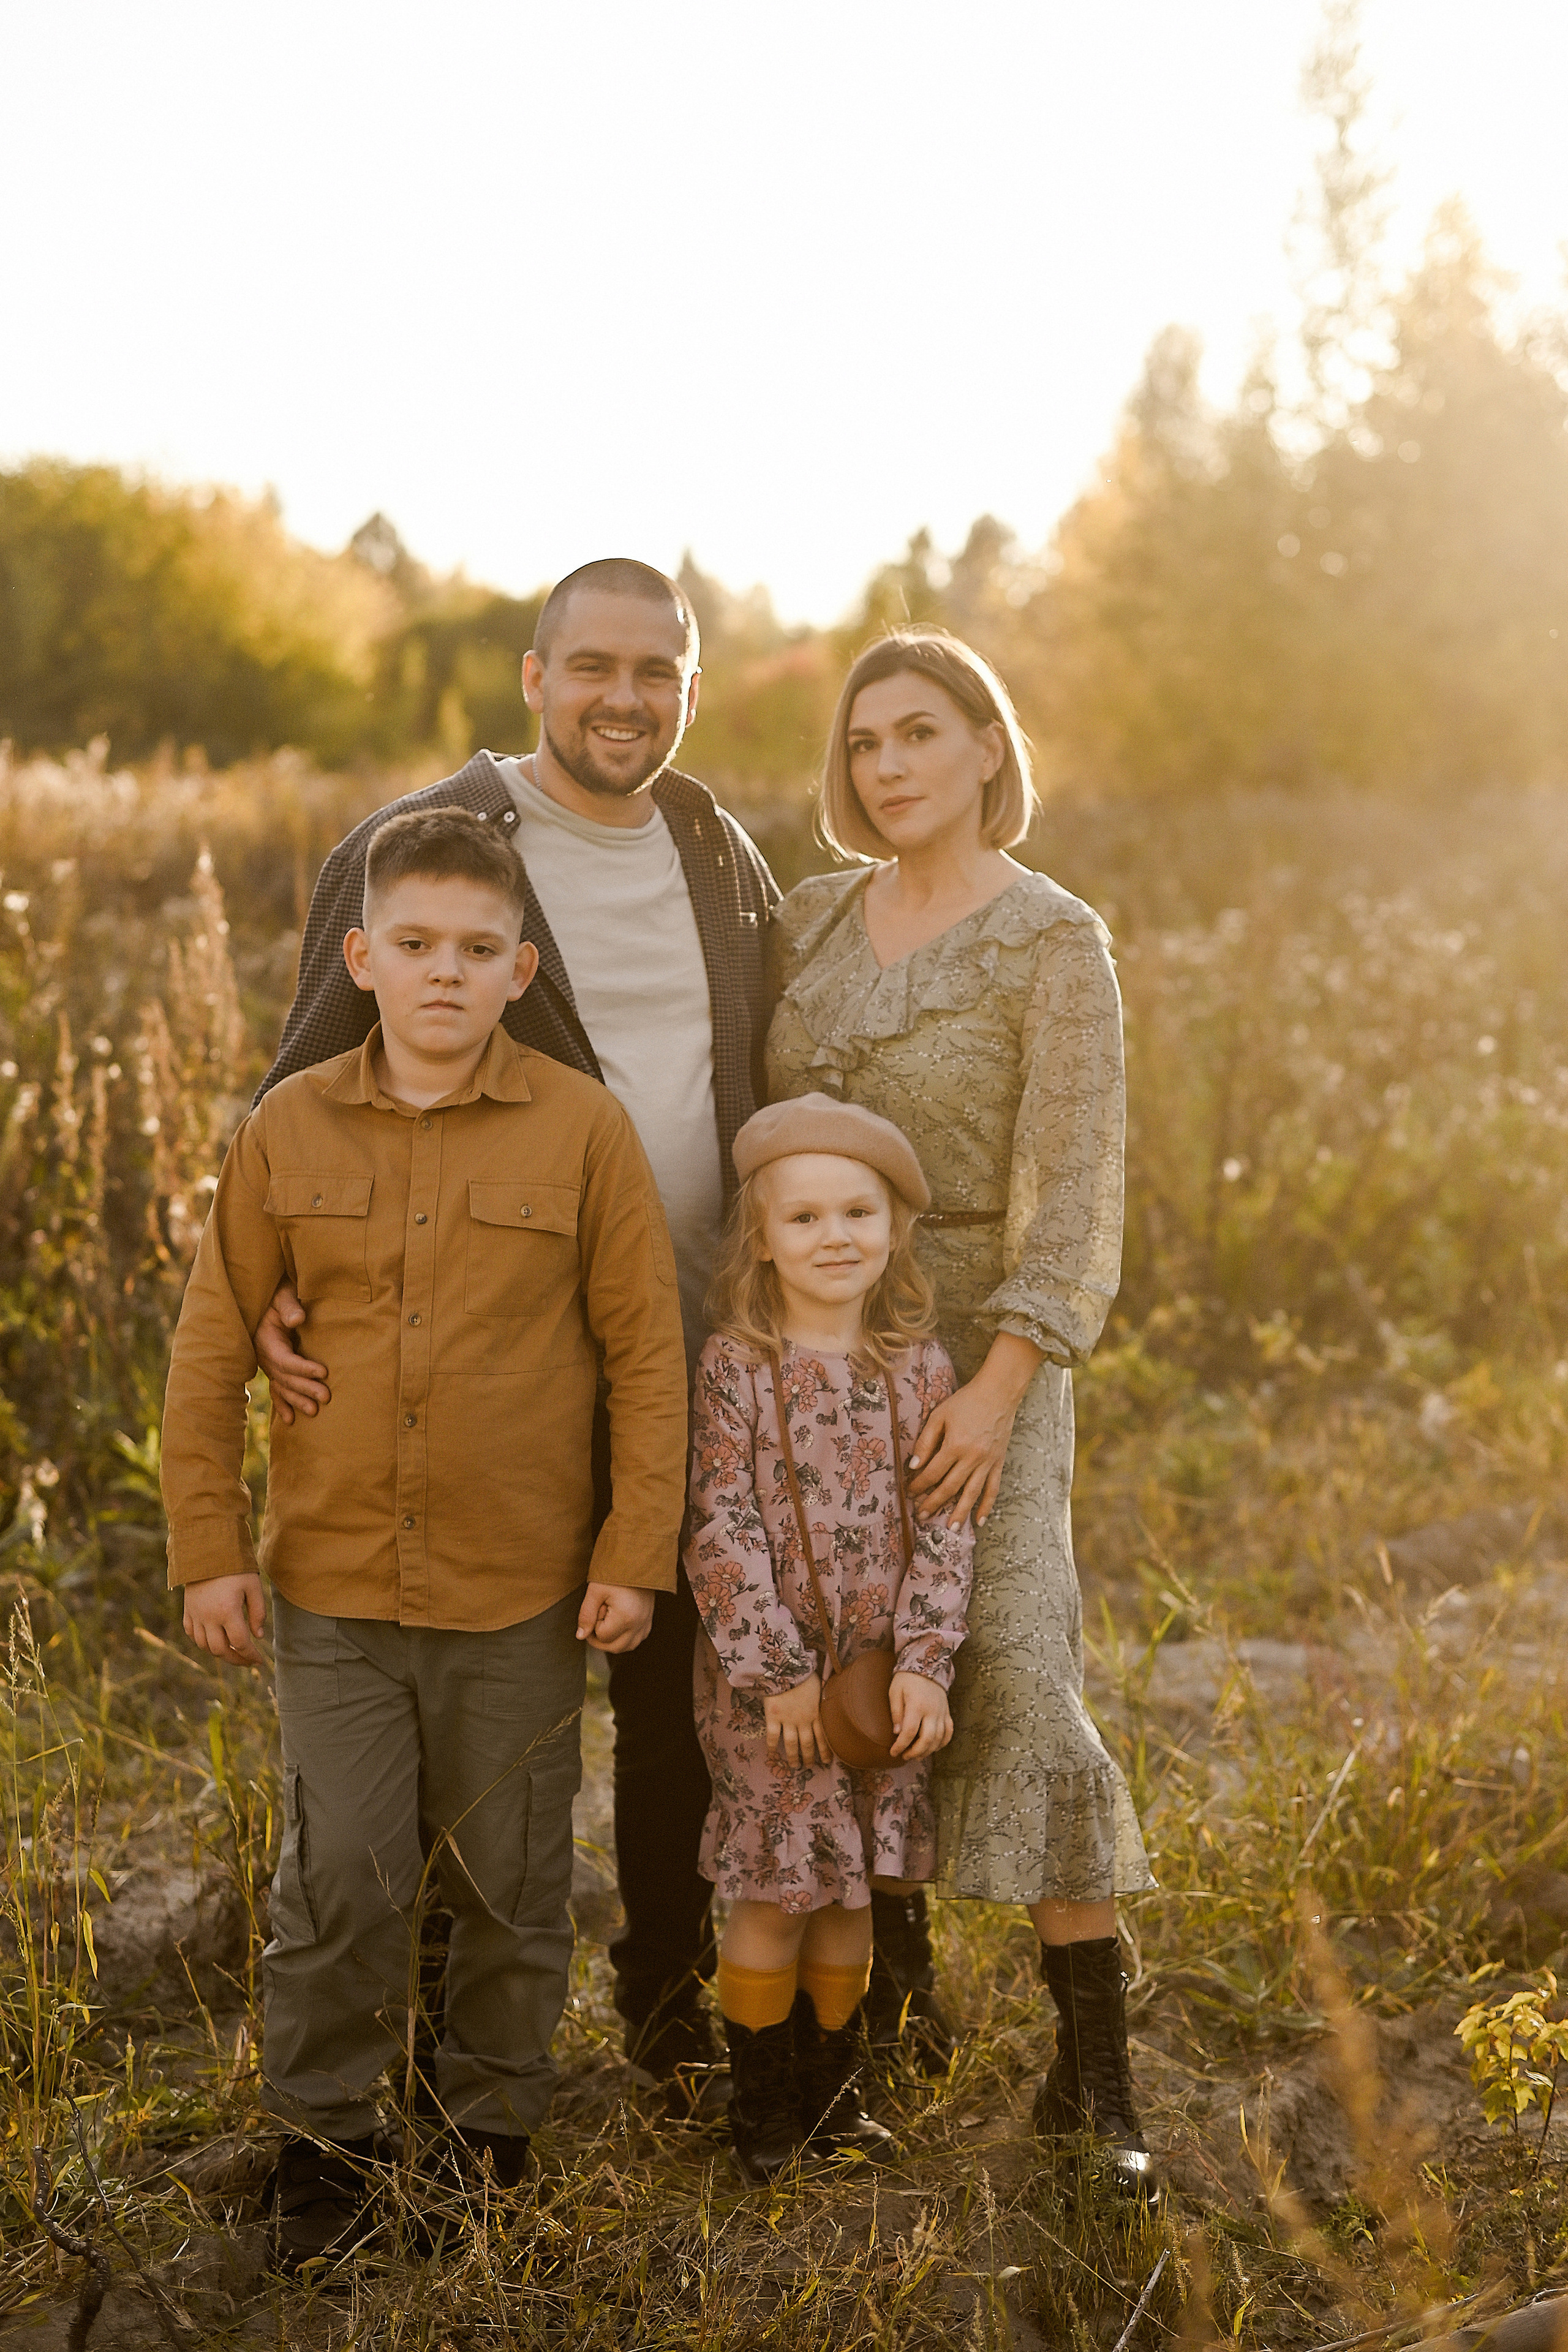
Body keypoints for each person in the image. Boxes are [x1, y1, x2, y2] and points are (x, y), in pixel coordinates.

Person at [249, 560, 778, 2108]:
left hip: (701, 1358)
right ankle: (411, 2043)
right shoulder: (425, 849)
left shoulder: (713, 847)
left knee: (685, 1698)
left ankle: (671, 2017)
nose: (627, 699)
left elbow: (752, 1064)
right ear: (534, 677)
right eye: (595, 666)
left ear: (690, 687)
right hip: (497, 1376)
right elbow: (301, 1080)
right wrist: (277, 1267)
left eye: (658, 672)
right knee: (466, 1721)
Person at [160, 809, 689, 2269]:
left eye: (474, 951)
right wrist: (210, 1546)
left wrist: (631, 1553)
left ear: (522, 969)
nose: (443, 976)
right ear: (362, 958)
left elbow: (647, 1356)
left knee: (513, 1881)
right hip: (331, 1587)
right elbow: (211, 1349)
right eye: (414, 948)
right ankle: (325, 2142)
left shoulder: (584, 1134)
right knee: (342, 1879)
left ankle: (485, 2139)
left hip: (519, 1589)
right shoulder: (289, 1127)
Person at [766, 628, 1159, 2199]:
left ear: (987, 747)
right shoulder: (806, 921)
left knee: (1008, 1661)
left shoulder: (1052, 942)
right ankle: (896, 2006)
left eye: (920, 733)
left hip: (981, 1358)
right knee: (846, 1660)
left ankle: (1095, 2077)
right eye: (863, 743)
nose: (888, 766)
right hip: (813, 1346)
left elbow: (1070, 1189)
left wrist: (1003, 1387)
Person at [686, 1095, 973, 2184]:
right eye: (804, 1219)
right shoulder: (736, 1368)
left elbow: (946, 1530)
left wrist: (924, 1667)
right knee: (774, 1892)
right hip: (774, 1698)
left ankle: (835, 2094)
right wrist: (776, 1677)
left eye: (858, 1212)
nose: (835, 1236)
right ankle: (760, 2105)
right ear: (761, 1237)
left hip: (878, 1695)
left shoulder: (921, 1370)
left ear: (896, 1228)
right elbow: (721, 1524)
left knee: (851, 1892)